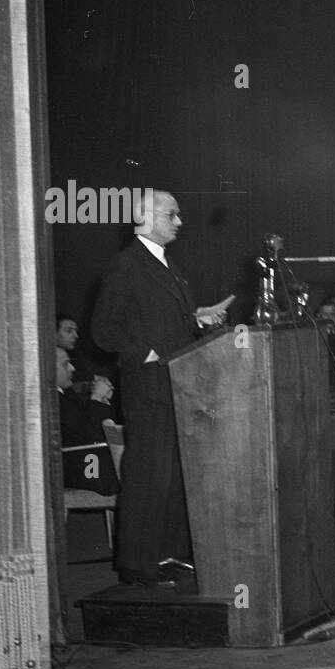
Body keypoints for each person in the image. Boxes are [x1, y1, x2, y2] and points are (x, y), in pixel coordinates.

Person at [91, 191, 227, 588]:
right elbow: (104, 329)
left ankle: (167, 554)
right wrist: (146, 353)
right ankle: (137, 564)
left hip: (178, 385)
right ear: (144, 217)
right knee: (148, 474)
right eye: (172, 214)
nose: (180, 221)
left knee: (171, 476)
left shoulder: (167, 266)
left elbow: (169, 323)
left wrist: (199, 321)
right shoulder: (126, 265)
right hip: (149, 386)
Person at [56, 347, 119, 495]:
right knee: (138, 472)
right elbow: (87, 434)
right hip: (84, 469)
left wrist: (103, 400)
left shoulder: (65, 395)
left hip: (86, 462)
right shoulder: (52, 399)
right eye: (65, 364)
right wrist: (97, 398)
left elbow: (91, 428)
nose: (72, 368)